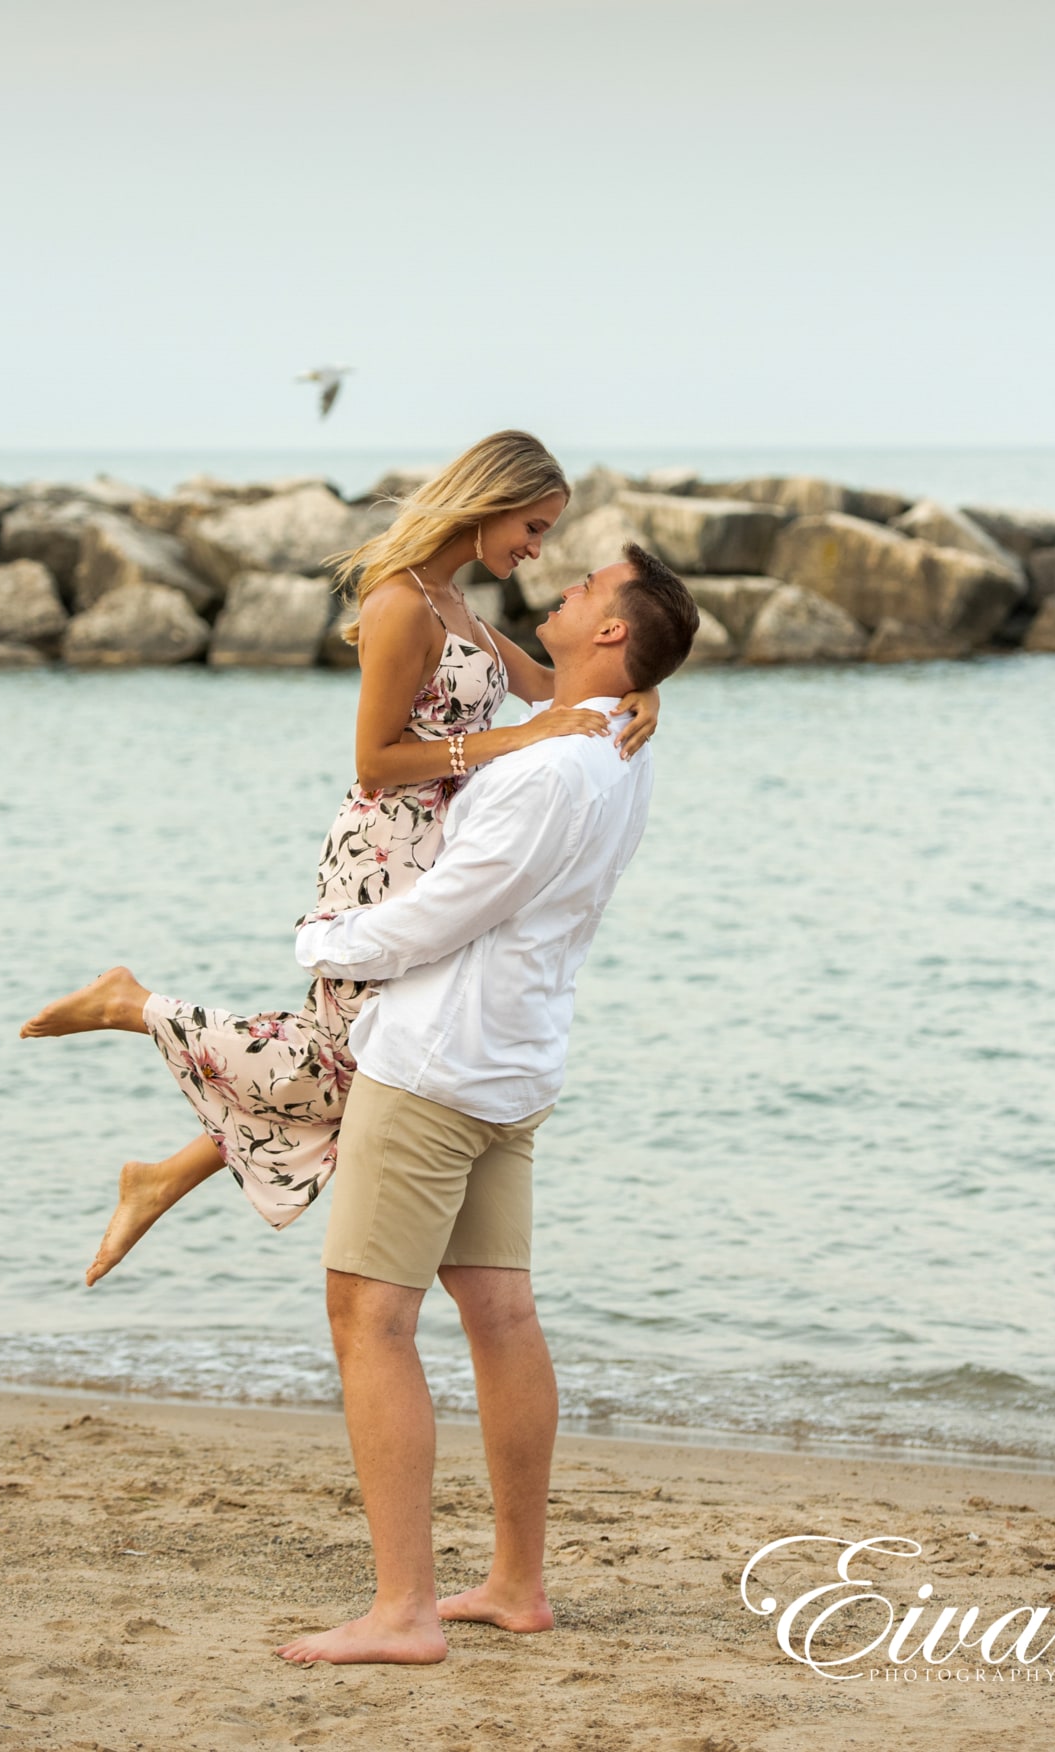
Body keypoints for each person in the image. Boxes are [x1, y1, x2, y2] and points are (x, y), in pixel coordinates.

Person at [19, 431, 660, 1283]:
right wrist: (511, 740)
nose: (536, 550)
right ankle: (134, 1007)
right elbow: (375, 761)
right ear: (490, 505)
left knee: (368, 1074)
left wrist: (644, 685)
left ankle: (164, 1175)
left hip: (439, 842)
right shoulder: (403, 603)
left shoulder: (460, 604)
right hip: (385, 848)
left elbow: (553, 689)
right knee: (353, 1064)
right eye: (532, 527)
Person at [274, 542, 700, 1667]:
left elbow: (443, 911)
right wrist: (631, 686)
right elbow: (526, 682)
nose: (561, 587)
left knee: (369, 1320)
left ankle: (402, 1611)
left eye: (586, 591)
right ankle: (516, 1583)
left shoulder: (544, 769)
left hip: (435, 1068)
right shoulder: (618, 743)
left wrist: (323, 938)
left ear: (610, 632)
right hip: (514, 1065)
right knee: (499, 1314)